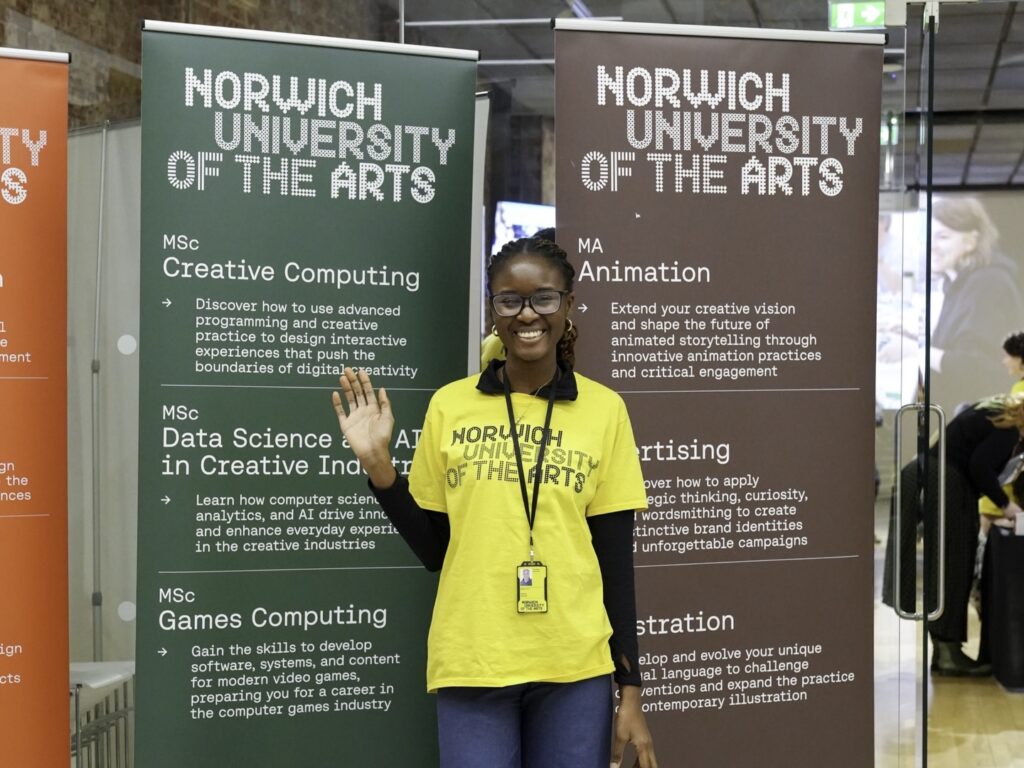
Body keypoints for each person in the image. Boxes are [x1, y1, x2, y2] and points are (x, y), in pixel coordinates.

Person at [332, 236, 658, 768]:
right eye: (510, 300)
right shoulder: (451, 406)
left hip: (574, 666)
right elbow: (436, 550)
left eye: (544, 298)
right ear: (494, 310)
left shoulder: (605, 411)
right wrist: (380, 469)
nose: (527, 314)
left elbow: (615, 562)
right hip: (473, 661)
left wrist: (631, 691)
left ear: (568, 306)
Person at [883, 394, 1024, 676]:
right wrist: (1007, 506)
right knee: (954, 565)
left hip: (927, 476)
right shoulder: (1007, 430)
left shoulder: (992, 409)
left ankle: (945, 650)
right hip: (946, 484)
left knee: (944, 565)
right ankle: (947, 652)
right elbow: (979, 467)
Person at [930, 197, 1024, 413]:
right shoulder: (962, 281)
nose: (931, 246)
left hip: (981, 418)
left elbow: (975, 368)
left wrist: (917, 352)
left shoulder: (987, 284)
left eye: (942, 237)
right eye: (929, 237)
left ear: (971, 241)